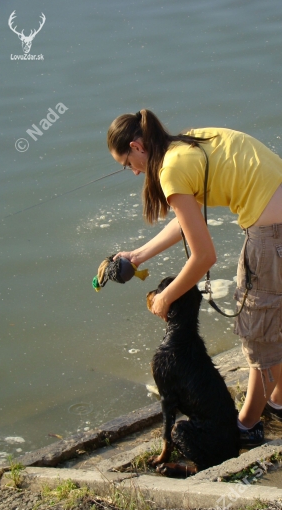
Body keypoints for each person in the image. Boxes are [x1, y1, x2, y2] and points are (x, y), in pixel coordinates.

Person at [107, 109, 282, 445]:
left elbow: (204, 256)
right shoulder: (187, 144)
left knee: (259, 332)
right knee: (276, 319)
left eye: (127, 163)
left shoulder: (170, 170)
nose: (132, 172)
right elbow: (186, 222)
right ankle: (277, 402)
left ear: (136, 146)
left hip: (271, 233)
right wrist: (139, 255)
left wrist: (166, 296)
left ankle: (247, 427)